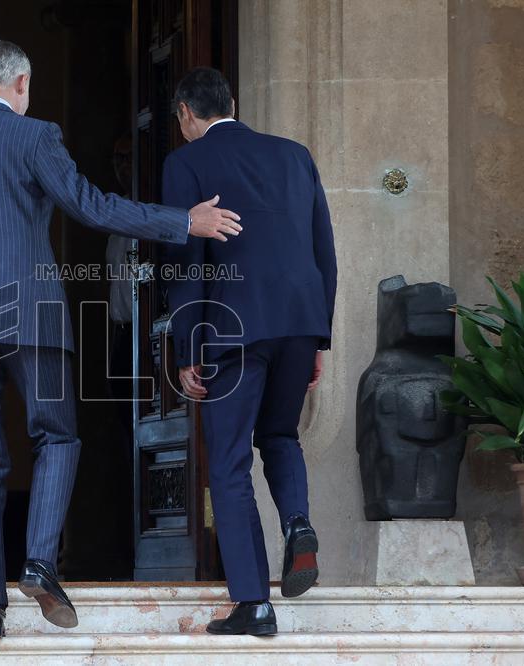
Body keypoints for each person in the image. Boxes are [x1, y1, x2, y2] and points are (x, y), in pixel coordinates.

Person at [0, 41, 242, 640]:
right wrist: (180, 221)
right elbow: (89, 205)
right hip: (33, 319)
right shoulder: (36, 137)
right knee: (57, 437)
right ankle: (38, 561)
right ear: (22, 84)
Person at [161, 67, 337, 637]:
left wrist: (187, 345)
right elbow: (323, 251)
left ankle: (254, 602)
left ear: (185, 113)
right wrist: (319, 338)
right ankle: (298, 524)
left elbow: (186, 260)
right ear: (233, 103)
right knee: (280, 436)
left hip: (232, 326)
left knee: (230, 460)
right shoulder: (295, 155)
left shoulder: (185, 163)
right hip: (300, 322)